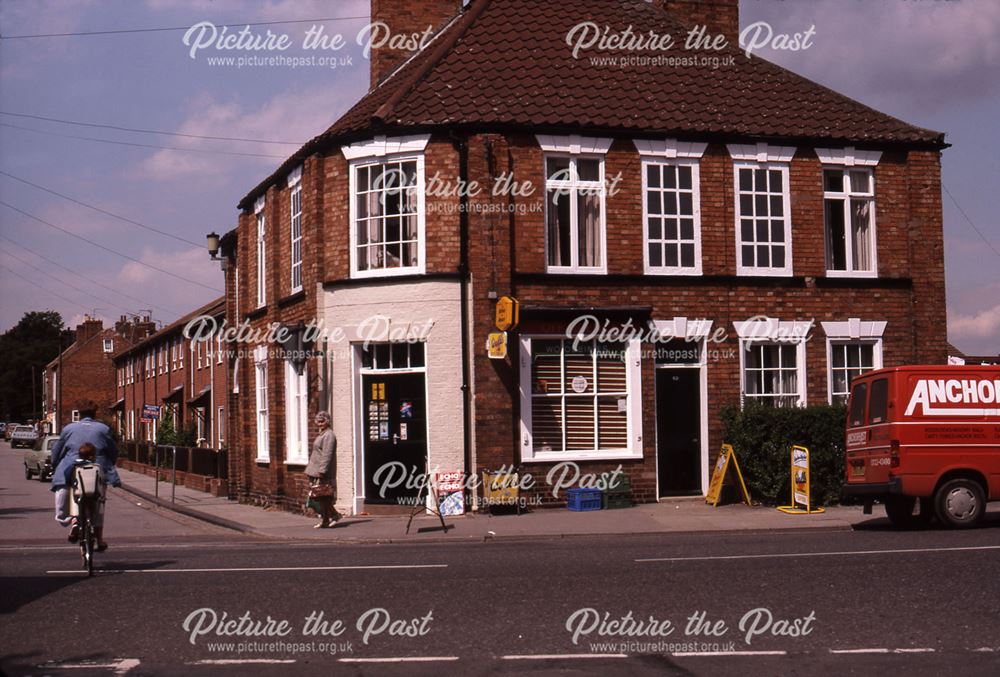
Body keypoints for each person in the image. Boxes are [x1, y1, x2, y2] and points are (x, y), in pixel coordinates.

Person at [51, 401, 121, 550]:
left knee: (70, 491)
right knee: (99, 502)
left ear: (79, 414)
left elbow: (57, 452)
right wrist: (110, 466)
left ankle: (74, 522)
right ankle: (99, 539)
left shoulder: (68, 429)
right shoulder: (103, 429)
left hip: (72, 469)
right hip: (98, 469)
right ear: (95, 413)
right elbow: (113, 451)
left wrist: (55, 465)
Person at [305, 411, 339, 528]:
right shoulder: (322, 434)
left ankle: (335, 515)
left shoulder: (329, 435)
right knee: (320, 497)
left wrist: (322, 470)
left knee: (324, 497)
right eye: (318, 421)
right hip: (316, 470)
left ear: (327, 422)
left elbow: (327, 454)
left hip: (322, 472)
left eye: (322, 421)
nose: (319, 424)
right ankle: (325, 520)